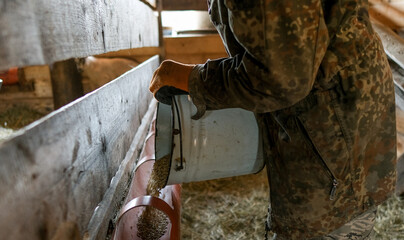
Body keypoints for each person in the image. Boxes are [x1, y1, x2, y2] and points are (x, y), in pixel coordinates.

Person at [149, 0, 397, 239]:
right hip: (329, 107)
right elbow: (278, 52)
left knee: (335, 218)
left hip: (335, 118)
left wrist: (193, 79)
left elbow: (282, 79)